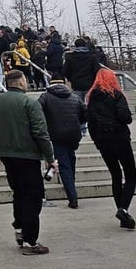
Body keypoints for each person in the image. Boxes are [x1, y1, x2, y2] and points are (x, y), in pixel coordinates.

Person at [0, 69, 56, 255]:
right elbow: (40, 133)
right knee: (33, 197)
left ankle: (19, 226)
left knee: (19, 192)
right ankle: (30, 240)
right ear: (22, 82)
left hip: (7, 155)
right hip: (28, 156)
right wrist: (50, 158)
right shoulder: (29, 103)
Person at [86, 67, 136, 230]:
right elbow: (125, 117)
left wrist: (96, 140)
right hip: (119, 137)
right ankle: (123, 209)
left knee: (115, 174)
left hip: (103, 140)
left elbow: (90, 122)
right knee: (130, 175)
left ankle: (122, 213)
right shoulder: (117, 95)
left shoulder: (91, 98)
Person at [39, 75, 87, 208]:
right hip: (74, 134)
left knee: (64, 163)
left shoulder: (45, 97)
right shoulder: (74, 97)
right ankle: (61, 177)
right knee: (70, 160)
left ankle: (72, 197)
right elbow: (85, 113)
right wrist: (78, 123)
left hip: (56, 134)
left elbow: (37, 111)